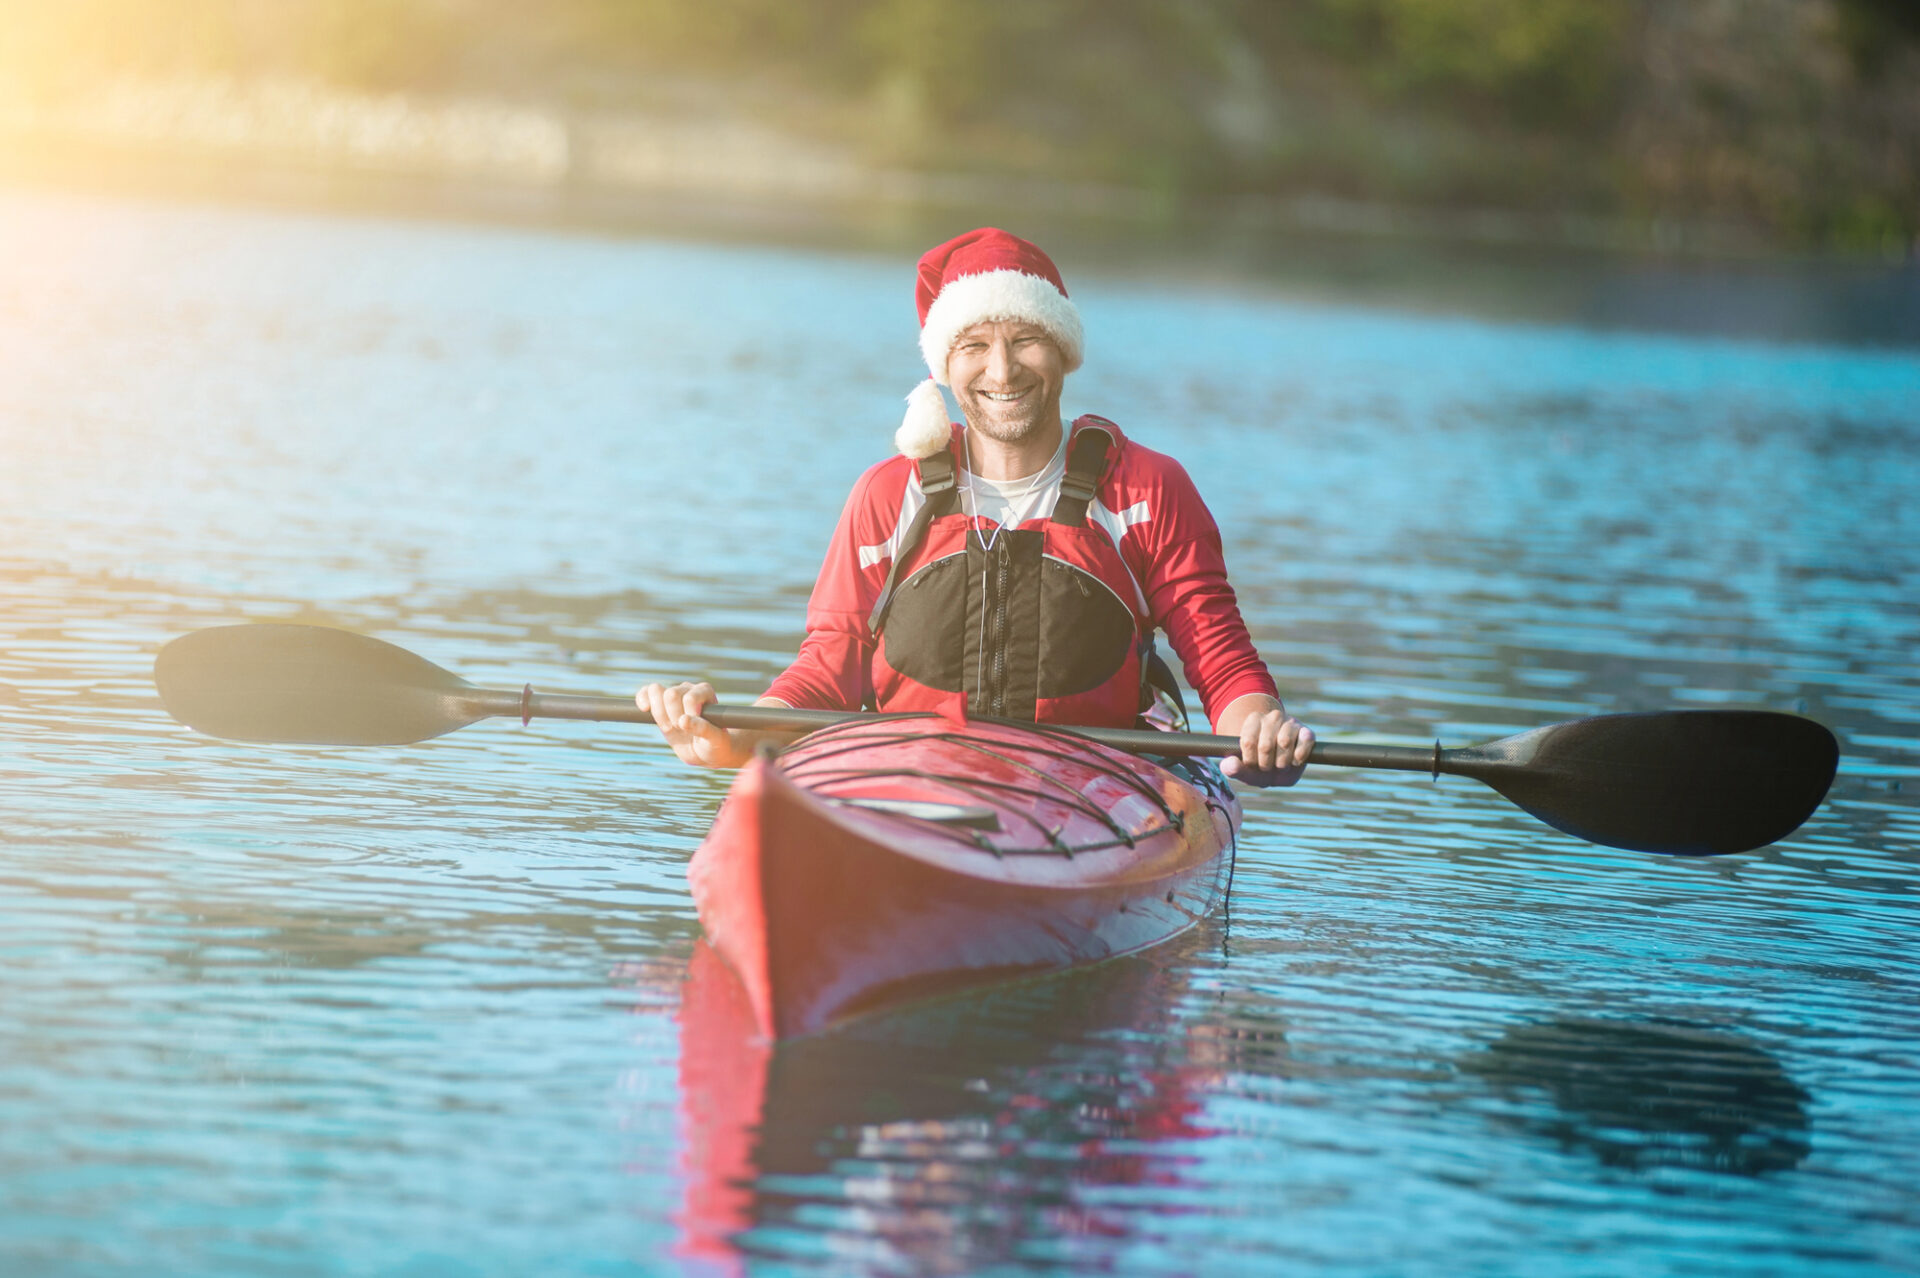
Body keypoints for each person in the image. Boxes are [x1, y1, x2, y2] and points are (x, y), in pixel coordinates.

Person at [638, 228, 1313, 786]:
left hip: (1096, 784)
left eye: (1025, 339)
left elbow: (1222, 663)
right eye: (973, 346)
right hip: (909, 781)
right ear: (945, 365)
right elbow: (829, 667)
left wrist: (1257, 735)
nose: (1001, 370)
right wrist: (729, 735)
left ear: (1064, 352)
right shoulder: (887, 495)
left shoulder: (1145, 489)